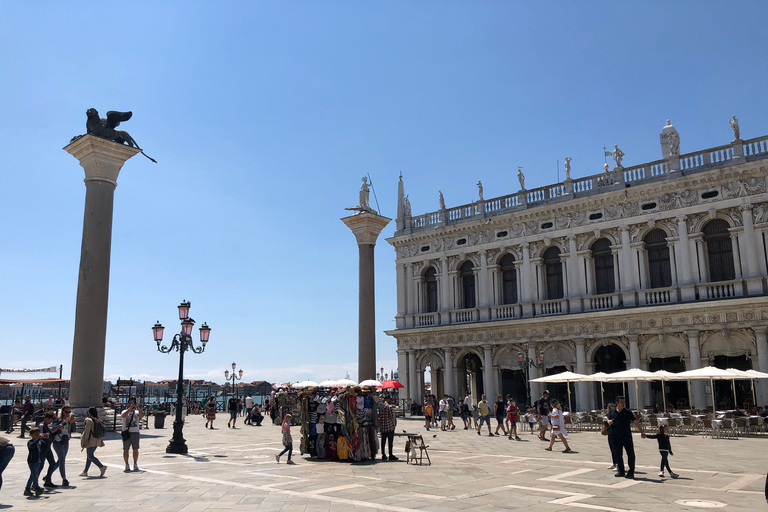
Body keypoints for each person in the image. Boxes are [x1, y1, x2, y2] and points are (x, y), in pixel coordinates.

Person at [605, 396, 646, 479]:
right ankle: (621, 471)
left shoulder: (627, 412)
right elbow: (606, 418)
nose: (623, 404)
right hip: (615, 436)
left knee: (630, 454)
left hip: (626, 436)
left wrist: (642, 431)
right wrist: (608, 420)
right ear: (617, 403)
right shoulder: (612, 410)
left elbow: (635, 421)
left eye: (624, 402)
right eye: (621, 402)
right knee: (618, 454)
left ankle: (631, 471)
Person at [79, 407, 107, 478]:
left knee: (90, 456)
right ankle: (85, 471)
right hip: (97, 439)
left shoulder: (89, 420)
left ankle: (101, 467)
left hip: (90, 440)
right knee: (89, 456)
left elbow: (86, 432)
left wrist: (83, 441)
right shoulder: (98, 420)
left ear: (89, 413)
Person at [52, 406, 74, 486]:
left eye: (69, 412)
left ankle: (48, 475)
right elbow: (54, 428)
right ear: (62, 412)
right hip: (58, 441)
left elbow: (71, 430)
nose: (68, 414)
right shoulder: (58, 420)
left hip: (65, 441)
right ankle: (64, 478)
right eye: (66, 412)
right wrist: (64, 422)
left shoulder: (69, 421)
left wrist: (72, 422)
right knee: (62, 460)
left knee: (60, 460)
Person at [121, 400, 144, 472]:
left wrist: (138, 408)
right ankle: (127, 464)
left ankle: (135, 463)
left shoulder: (136, 412)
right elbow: (123, 415)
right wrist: (129, 409)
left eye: (133, 403)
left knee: (135, 449)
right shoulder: (124, 411)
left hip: (135, 432)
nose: (132, 405)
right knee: (126, 449)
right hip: (126, 432)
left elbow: (142, 416)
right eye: (130, 403)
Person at [39, 412, 61, 488]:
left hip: (48, 447)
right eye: (50, 420)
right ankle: (33, 483)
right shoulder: (41, 425)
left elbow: (50, 433)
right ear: (47, 418)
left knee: (52, 463)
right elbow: (40, 435)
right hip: (43, 448)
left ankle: (48, 480)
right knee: (40, 466)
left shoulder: (46, 426)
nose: (51, 422)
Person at [25, 427, 48, 497]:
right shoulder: (30, 442)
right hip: (32, 461)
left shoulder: (40, 441)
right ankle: (36, 487)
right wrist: (38, 439)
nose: (37, 435)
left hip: (38, 460)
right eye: (36, 434)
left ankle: (27, 489)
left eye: (38, 434)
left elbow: (46, 445)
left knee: (32, 475)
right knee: (35, 476)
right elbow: (32, 446)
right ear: (31, 435)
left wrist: (46, 438)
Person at [603, 403, 619, 471]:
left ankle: (618, 464)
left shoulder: (614, 415)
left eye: (608, 408)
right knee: (612, 449)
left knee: (616, 449)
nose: (607, 410)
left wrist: (606, 419)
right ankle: (614, 463)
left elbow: (610, 422)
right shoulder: (608, 415)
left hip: (615, 433)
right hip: (610, 433)